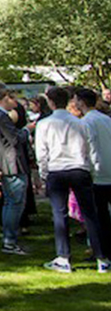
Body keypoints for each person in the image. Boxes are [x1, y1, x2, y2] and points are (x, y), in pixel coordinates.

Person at [37, 87, 108, 273]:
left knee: (59, 214)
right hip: (79, 169)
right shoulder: (79, 123)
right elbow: (90, 149)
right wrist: (91, 169)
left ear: (51, 102)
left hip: (57, 170)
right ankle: (102, 257)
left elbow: (41, 152)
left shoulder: (45, 124)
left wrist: (44, 173)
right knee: (90, 214)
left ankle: (64, 257)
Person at [0, 83, 31, 256]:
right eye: (14, 99)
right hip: (12, 164)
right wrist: (27, 129)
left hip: (2, 163)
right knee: (15, 203)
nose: (17, 103)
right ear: (5, 98)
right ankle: (10, 240)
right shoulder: (1, 117)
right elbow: (16, 139)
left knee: (10, 203)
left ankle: (9, 238)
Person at [74, 88, 111, 257]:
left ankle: (102, 250)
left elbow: (88, 148)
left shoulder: (84, 123)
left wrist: (89, 168)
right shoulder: (105, 119)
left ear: (81, 102)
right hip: (107, 168)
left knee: (99, 215)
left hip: (97, 172)